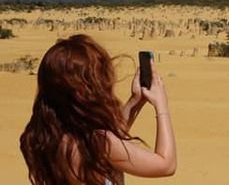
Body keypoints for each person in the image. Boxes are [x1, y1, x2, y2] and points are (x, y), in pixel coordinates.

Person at [19, 34, 176, 185]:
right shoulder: (98, 143)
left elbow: (113, 136)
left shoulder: (47, 137)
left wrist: (135, 101)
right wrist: (161, 105)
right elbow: (166, 165)